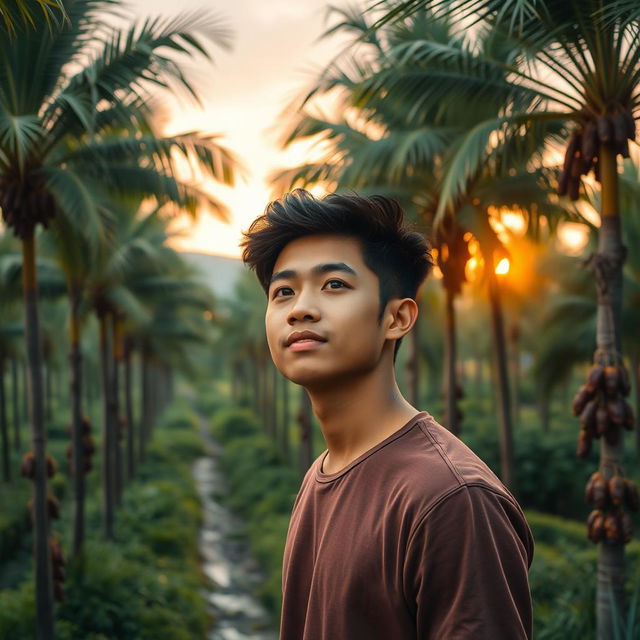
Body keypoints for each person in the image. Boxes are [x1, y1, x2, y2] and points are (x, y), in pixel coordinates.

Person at [241, 189, 534, 640]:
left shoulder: (450, 499)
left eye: (334, 284)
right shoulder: (323, 473)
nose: (300, 309)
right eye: (284, 291)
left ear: (397, 318)